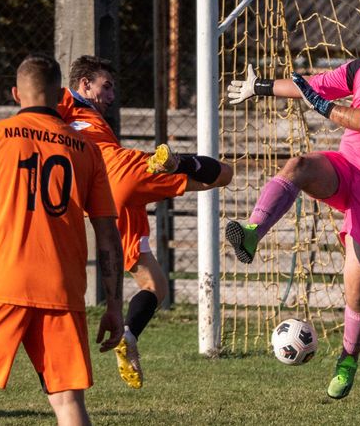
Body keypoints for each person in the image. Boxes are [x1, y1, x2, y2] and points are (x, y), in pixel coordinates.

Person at [224, 20, 360, 399]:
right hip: (345, 169)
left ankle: (348, 360)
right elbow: (315, 84)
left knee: (358, 290)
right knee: (298, 165)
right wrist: (260, 86)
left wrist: (323, 107)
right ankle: (251, 232)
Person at [0, 53, 124, 426]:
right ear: (60, 94)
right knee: (67, 400)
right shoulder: (87, 150)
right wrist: (114, 305)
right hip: (62, 289)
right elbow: (107, 235)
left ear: (16, 94)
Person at [59, 55, 233, 389]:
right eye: (106, 87)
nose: (111, 96)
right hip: (123, 172)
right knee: (224, 173)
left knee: (155, 285)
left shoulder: (66, 112)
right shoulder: (68, 104)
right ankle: (174, 162)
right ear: (84, 84)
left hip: (100, 201)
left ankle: (128, 335)